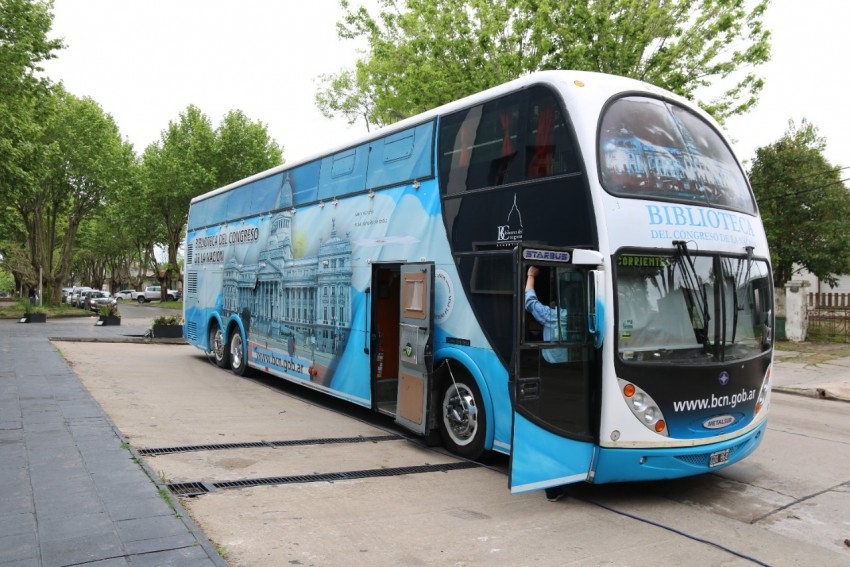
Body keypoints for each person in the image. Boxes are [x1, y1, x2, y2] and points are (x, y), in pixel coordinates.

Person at [524, 266, 568, 363]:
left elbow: (529, 302)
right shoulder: (580, 314)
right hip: (573, 364)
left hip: (551, 364)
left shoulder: (556, 316)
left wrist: (531, 275)